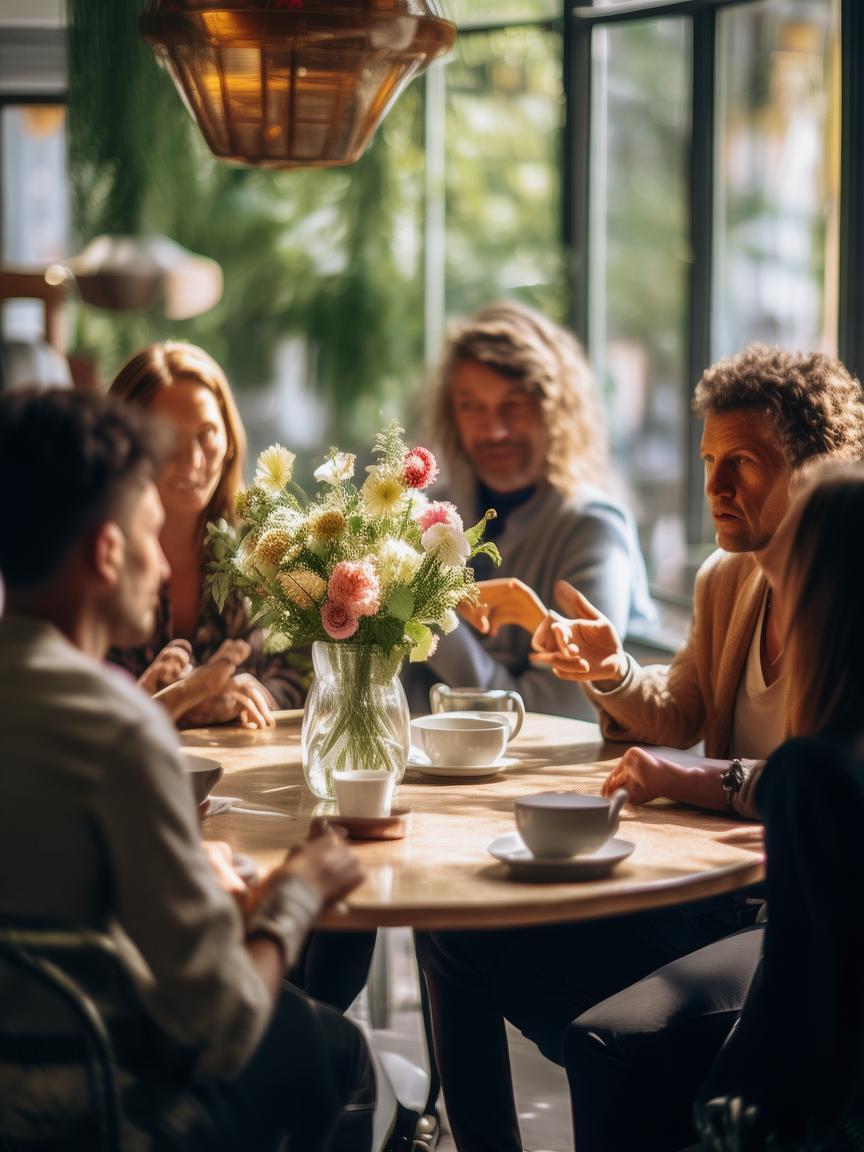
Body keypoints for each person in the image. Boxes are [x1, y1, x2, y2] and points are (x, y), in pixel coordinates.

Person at [416, 343, 864, 1152]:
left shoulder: (847, 596)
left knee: (604, 1041)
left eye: (744, 463)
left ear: (815, 468)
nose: (715, 486)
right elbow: (678, 710)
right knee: (453, 929)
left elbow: (834, 776)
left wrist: (704, 781)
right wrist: (612, 667)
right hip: (710, 898)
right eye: (708, 460)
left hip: (791, 921)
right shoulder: (728, 582)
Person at [0, 388, 373, 1150]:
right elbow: (221, 1026)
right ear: (106, 553)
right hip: (96, 1106)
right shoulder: (119, 729)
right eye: (147, 536)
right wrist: (294, 897)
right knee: (345, 1056)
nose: (161, 559)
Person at [567, 462, 864, 1151]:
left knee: (594, 1032)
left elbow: (791, 1019)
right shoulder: (827, 767)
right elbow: (679, 715)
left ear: (818, 602)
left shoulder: (813, 777)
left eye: (787, 580)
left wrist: (717, 1121)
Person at [402, 300, 654, 721]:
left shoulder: (593, 529)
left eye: (513, 405)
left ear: (555, 411)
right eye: (471, 406)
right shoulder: (421, 517)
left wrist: (427, 616)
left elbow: (562, 714)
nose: (493, 429)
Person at [107, 340, 308, 728]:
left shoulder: (266, 547)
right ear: (124, 444)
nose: (193, 460)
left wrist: (252, 697)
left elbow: (306, 671)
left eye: (207, 433)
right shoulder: (92, 557)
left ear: (230, 440)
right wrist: (173, 699)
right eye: (167, 437)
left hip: (245, 776)